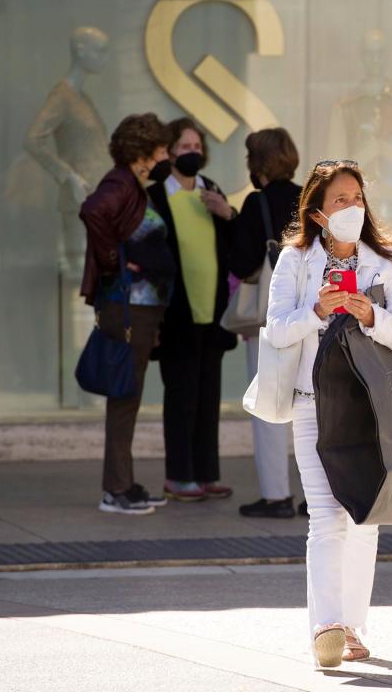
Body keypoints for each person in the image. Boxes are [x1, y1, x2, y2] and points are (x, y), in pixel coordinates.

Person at [265, 160, 392, 667]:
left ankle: (352, 624)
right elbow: (276, 331)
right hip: (313, 405)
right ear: (320, 214)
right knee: (327, 516)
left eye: (357, 198)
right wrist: (318, 311)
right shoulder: (295, 260)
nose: (352, 208)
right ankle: (327, 625)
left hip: (369, 408)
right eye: (340, 201)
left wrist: (371, 314)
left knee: (365, 516)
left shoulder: (386, 262)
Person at [79, 113, 176, 515]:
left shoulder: (135, 186)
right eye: (162, 148)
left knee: (130, 395)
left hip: (141, 306)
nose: (166, 155)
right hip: (128, 305)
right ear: (145, 150)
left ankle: (123, 483)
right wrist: (110, 261)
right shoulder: (120, 182)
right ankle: (115, 490)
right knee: (124, 395)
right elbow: (93, 211)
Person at [148, 117, 238, 502]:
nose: (192, 153)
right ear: (168, 153)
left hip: (212, 314)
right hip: (177, 315)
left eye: (197, 147)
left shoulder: (211, 190)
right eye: (185, 147)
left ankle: (206, 473)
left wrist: (227, 214)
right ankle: (178, 475)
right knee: (180, 396)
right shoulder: (155, 195)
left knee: (207, 397)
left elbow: (236, 244)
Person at [230, 128, 303, 519]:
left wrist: (231, 223)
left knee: (270, 408)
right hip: (313, 317)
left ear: (256, 163)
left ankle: (276, 496)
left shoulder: (256, 204)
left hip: (270, 320)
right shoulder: (311, 199)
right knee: (314, 411)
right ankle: (320, 497)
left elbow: (241, 263)